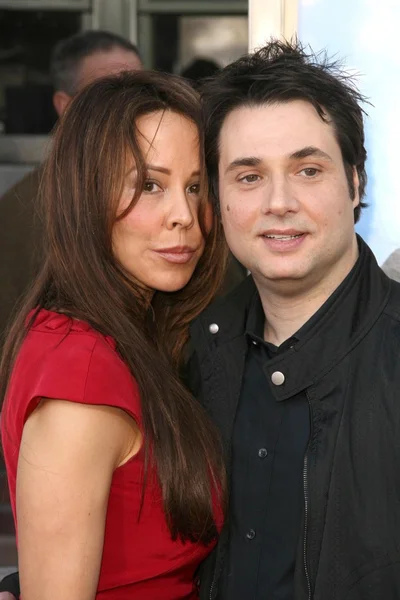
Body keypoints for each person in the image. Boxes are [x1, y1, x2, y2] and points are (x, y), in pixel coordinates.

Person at [0, 70, 226, 600]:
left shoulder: (130, 336)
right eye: (150, 185)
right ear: (86, 196)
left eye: (195, 187)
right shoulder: (81, 371)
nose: (184, 216)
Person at [186, 40, 400, 599]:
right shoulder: (188, 353)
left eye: (307, 170)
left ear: (356, 183)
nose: (279, 202)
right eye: (249, 176)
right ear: (218, 197)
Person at [0, 30, 143, 345]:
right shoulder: (23, 210)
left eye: (141, 92)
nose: (129, 108)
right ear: (65, 105)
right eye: (106, 94)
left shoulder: (178, 194)